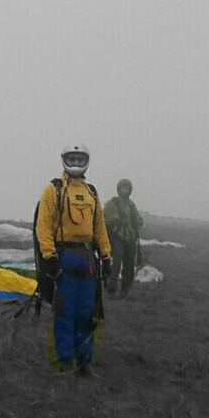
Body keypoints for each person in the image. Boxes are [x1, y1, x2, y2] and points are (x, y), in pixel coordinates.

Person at [35, 145, 113, 372]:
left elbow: (100, 228)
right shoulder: (54, 189)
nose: (76, 162)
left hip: (88, 258)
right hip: (64, 257)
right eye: (72, 158)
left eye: (80, 158)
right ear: (64, 160)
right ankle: (65, 360)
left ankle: (84, 362)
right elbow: (44, 226)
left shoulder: (92, 192)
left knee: (87, 313)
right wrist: (49, 259)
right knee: (65, 311)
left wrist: (106, 257)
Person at [104, 178, 145, 297]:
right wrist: (115, 219)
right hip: (117, 237)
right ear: (119, 189)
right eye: (123, 188)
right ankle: (111, 289)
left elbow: (137, 218)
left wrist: (138, 221)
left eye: (127, 188)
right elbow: (103, 219)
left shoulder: (132, 205)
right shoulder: (112, 203)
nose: (125, 190)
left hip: (131, 238)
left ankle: (125, 289)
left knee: (129, 265)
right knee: (116, 263)